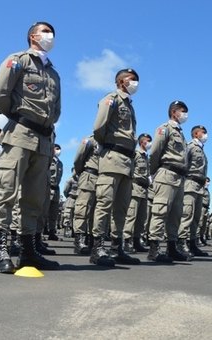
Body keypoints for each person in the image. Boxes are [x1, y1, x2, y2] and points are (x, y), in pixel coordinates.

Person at [0, 21, 61, 273]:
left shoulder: (53, 73)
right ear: (33, 36)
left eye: (51, 33)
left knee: (34, 198)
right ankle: (1, 250)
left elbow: (57, 109)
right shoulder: (18, 60)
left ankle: (29, 251)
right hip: (20, 134)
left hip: (43, 141)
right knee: (7, 191)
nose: (50, 36)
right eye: (45, 31)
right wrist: (19, 117)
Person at [91, 68, 141, 267]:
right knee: (104, 203)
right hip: (112, 157)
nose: (135, 83)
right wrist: (110, 146)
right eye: (132, 79)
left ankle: (116, 247)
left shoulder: (129, 105)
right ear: (121, 81)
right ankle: (97, 247)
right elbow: (99, 128)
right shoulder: (111, 99)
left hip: (127, 161)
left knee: (121, 208)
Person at [147, 100, 189, 263]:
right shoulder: (165, 128)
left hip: (179, 176)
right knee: (160, 211)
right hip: (167, 173)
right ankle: (154, 249)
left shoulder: (180, 132)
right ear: (173, 112)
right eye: (182, 111)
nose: (185, 114)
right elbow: (155, 151)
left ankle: (171, 248)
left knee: (176, 214)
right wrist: (154, 172)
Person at [177, 126, 209, 257]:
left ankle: (192, 244)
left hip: (200, 187)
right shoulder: (190, 146)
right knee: (187, 215)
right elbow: (183, 163)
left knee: (196, 218)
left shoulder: (201, 150)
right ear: (196, 134)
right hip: (190, 183)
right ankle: (180, 243)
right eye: (204, 132)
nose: (206, 135)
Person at [123, 133, 152, 253]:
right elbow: (129, 168)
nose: (150, 143)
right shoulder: (135, 154)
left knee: (141, 219)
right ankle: (126, 241)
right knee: (131, 216)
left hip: (144, 190)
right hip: (135, 188)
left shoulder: (146, 157)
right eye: (148, 141)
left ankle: (136, 241)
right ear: (142, 142)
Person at [72, 134, 99, 255]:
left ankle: (92, 240)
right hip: (89, 176)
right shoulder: (90, 140)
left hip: (102, 178)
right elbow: (78, 159)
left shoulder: (108, 141)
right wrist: (82, 173)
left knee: (97, 212)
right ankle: (79, 241)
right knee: (82, 210)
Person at [47, 143, 63, 240]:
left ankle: (52, 232)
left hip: (56, 189)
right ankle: (38, 234)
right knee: (43, 212)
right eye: (56, 148)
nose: (58, 151)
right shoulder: (48, 159)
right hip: (48, 187)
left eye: (59, 149)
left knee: (54, 213)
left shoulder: (60, 163)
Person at [198, 177, 211, 245]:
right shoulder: (201, 189)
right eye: (207, 181)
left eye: (209, 181)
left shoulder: (207, 190)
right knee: (200, 223)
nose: (208, 183)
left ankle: (201, 238)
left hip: (206, 208)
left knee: (204, 225)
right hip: (202, 207)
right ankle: (197, 239)